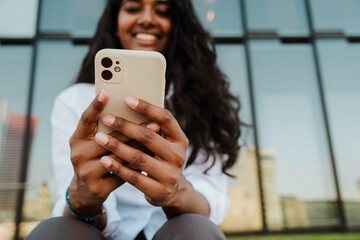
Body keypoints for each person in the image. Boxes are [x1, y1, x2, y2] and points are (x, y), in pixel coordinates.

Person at [26, 0, 242, 239]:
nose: (147, 19)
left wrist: (175, 193)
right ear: (115, 25)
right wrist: (83, 198)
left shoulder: (206, 101)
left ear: (177, 27)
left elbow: (212, 202)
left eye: (162, 11)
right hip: (101, 232)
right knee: (56, 231)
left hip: (176, 231)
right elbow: (69, 197)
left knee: (195, 229)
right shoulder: (75, 101)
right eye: (132, 8)